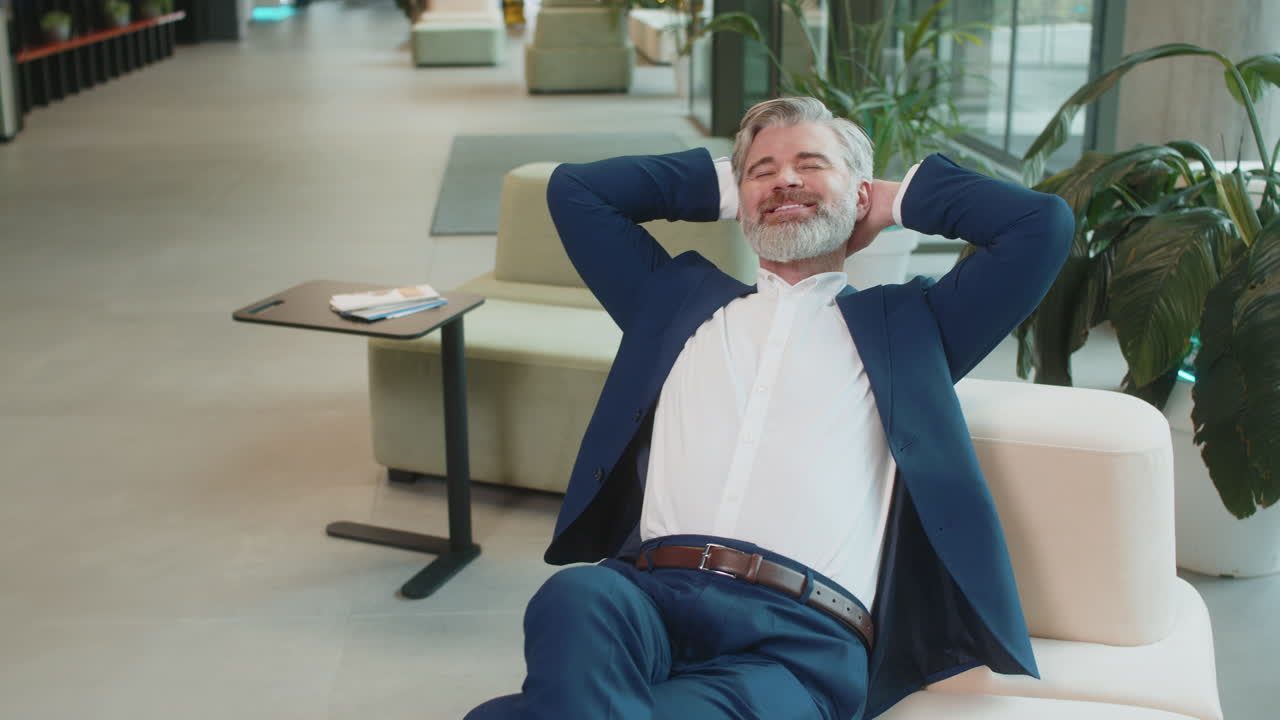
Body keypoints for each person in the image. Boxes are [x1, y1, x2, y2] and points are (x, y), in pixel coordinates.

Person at [465, 96, 1073, 720]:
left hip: (795, 644)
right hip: (645, 599)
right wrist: (732, 186)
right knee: (575, 593)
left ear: (859, 195)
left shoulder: (911, 330)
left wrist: (888, 200)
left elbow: (1040, 226)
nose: (786, 178)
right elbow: (577, 192)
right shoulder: (674, 304)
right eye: (763, 170)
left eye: (811, 164)